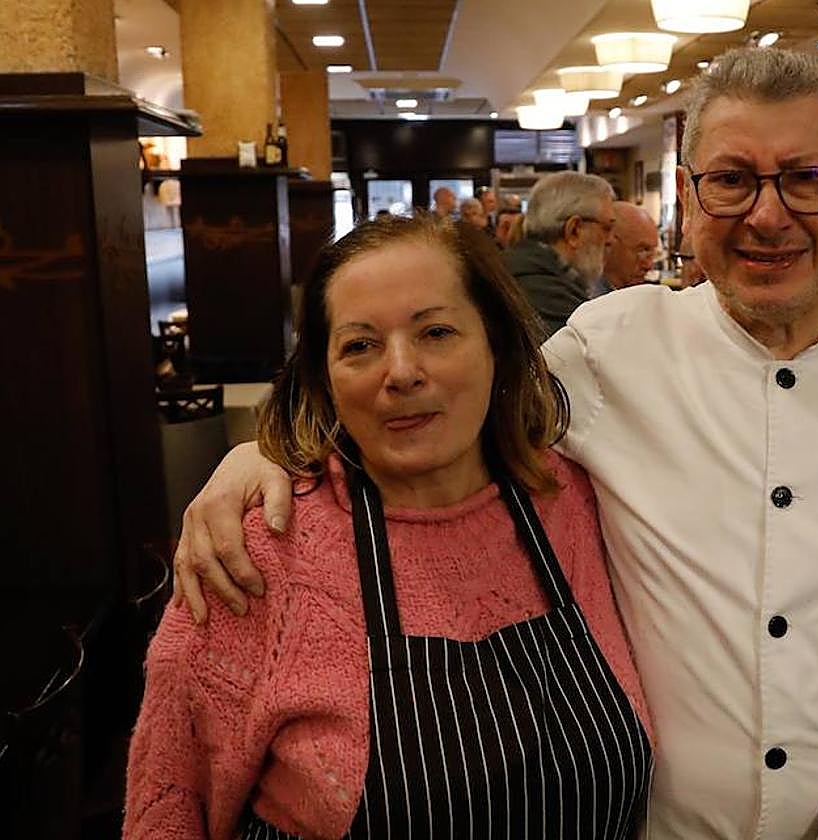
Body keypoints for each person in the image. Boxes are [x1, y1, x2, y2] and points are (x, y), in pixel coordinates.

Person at [172, 47, 818, 839]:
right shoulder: (610, 346)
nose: (767, 214)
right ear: (688, 194)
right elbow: (454, 405)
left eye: (806, 180)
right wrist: (266, 451)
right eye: (730, 180)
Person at [127, 215, 653, 838]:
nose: (401, 372)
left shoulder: (578, 502)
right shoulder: (256, 558)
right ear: (325, 379)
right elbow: (167, 807)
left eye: (435, 331)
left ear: (498, 347)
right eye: (360, 345)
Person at [501, 170, 615, 338]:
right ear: (574, 230)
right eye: (607, 228)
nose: (611, 240)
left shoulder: (524, 270)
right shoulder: (549, 298)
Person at [592, 201, 660, 295]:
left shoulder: (633, 295)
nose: (649, 266)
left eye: (652, 253)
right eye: (642, 250)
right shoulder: (588, 301)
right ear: (609, 243)